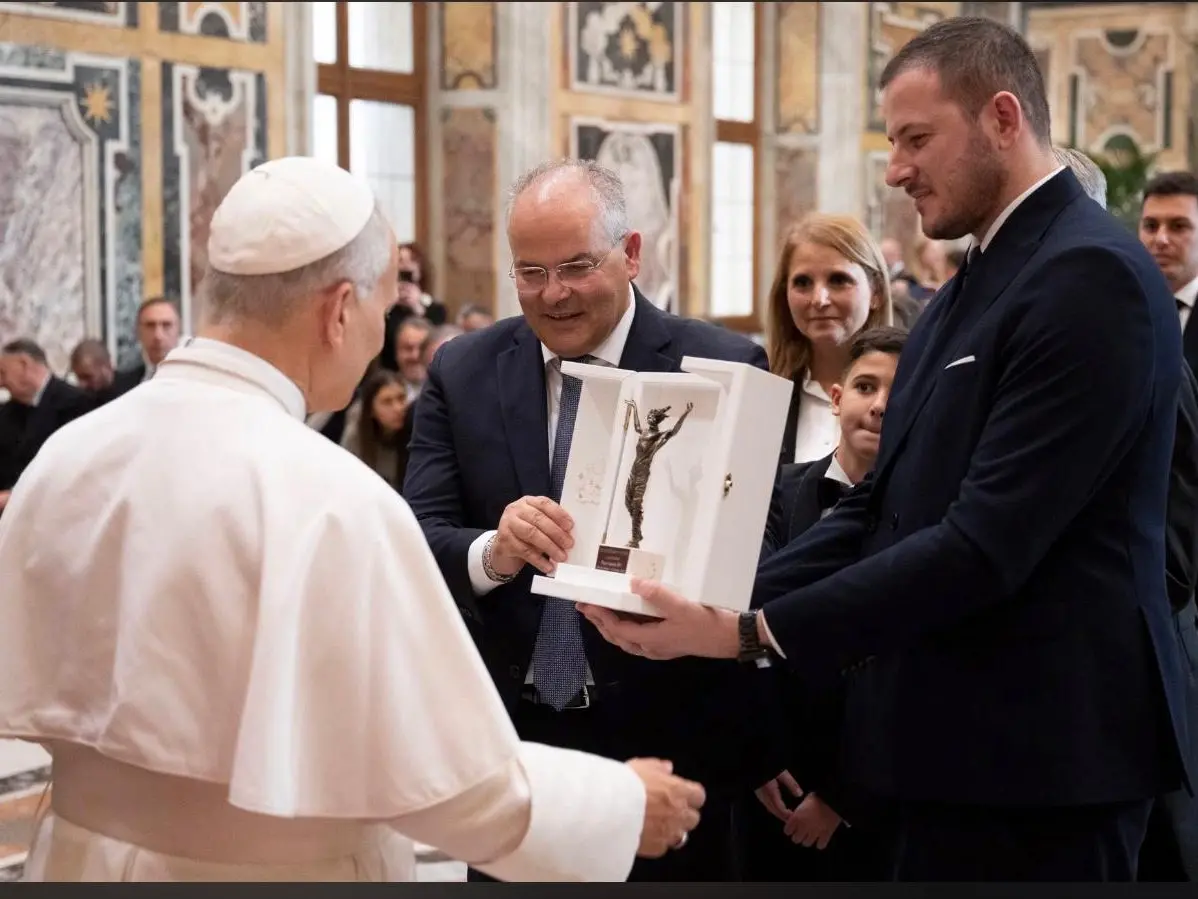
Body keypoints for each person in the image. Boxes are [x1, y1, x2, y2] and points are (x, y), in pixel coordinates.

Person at [578, 17, 1190, 881]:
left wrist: (745, 633)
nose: (896, 167)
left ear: (1003, 119)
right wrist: (704, 594)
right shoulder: (966, 286)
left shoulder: (1091, 277)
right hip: (951, 750)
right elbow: (881, 503)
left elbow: (984, 545)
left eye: (915, 139)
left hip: (1046, 759)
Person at [0, 156, 706, 882]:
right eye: (378, 309)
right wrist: (620, 803)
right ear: (339, 310)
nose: (379, 336)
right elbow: (447, 780)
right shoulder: (332, 498)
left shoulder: (64, 457)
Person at [402, 157, 773, 881]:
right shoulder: (463, 371)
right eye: (530, 272)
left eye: (576, 266)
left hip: (672, 745)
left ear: (630, 254)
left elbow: (765, 554)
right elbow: (417, 534)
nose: (554, 293)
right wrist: (493, 551)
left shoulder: (721, 365)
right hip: (518, 756)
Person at [740, 326, 906, 882]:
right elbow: (743, 621)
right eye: (865, 386)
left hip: (878, 789)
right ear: (836, 397)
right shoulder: (776, 490)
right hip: (772, 772)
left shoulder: (932, 515)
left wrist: (844, 796)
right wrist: (757, 756)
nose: (881, 405)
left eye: (900, 390)